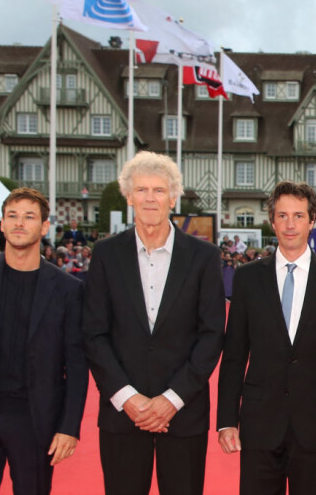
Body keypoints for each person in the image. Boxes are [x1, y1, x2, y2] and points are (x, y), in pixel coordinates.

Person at [83, 151, 226, 495]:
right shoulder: (105, 254)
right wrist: (128, 398)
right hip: (122, 414)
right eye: (142, 190)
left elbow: (211, 335)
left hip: (183, 413)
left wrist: (171, 399)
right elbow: (94, 333)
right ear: (129, 196)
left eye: (159, 190)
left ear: (173, 197)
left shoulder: (204, 256)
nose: (150, 198)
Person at [217, 180, 316, 495]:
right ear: (272, 221)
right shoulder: (247, 278)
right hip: (258, 421)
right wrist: (226, 418)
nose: (290, 224)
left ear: (312, 220)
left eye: (298, 215)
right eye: (282, 216)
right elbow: (235, 352)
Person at [0, 187, 89, 495]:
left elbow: (76, 363)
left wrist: (69, 427)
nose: (19, 223)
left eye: (29, 216)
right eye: (12, 216)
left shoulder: (68, 289)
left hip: (36, 421)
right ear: (1, 224)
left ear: (44, 226)